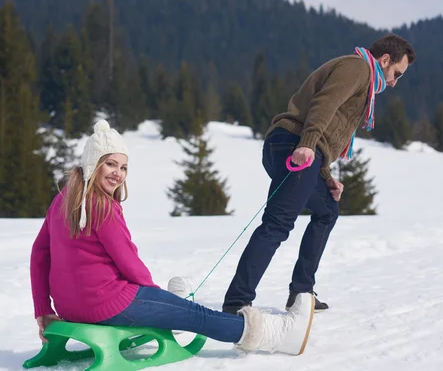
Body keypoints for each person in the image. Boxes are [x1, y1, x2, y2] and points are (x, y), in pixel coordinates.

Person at [30, 119, 316, 357]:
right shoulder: (103, 205)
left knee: (174, 307)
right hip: (107, 304)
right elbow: (128, 261)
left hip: (71, 307)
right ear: (94, 164)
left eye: (123, 167)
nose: (118, 174)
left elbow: (39, 254)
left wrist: (43, 309)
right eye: (110, 165)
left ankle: (170, 309)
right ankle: (277, 335)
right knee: (197, 315)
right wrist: (158, 298)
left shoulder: (63, 199)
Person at [221, 33, 416, 316]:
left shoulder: (363, 77)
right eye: (396, 73)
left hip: (299, 146)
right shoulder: (358, 68)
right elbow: (324, 103)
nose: (394, 82)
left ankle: (301, 291)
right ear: (384, 60)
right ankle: (237, 302)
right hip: (294, 142)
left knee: (327, 210)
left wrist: (325, 176)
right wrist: (307, 145)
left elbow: (327, 133)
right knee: (277, 224)